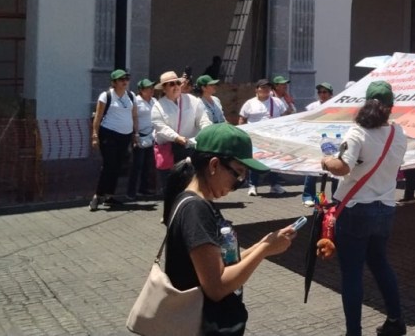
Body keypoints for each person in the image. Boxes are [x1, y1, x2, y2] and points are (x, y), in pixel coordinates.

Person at [162, 123, 295, 336]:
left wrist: (264, 243)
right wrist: (264, 251)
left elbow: (221, 264)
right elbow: (216, 287)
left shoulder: (198, 203)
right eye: (238, 173)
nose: (238, 184)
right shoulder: (196, 209)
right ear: (214, 165)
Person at [320, 81, 409, 336]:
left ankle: (353, 332)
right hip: (386, 208)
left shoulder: (357, 132)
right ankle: (395, 319)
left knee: (352, 273)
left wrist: (326, 161)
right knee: (380, 263)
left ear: (367, 103)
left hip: (356, 209)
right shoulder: (398, 133)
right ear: (391, 107)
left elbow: (342, 167)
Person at [90, 69, 138, 210]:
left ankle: (109, 196)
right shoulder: (106, 96)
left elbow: (134, 116)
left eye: (126, 79)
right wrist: (94, 135)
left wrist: (135, 134)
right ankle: (97, 196)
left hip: (125, 136)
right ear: (114, 82)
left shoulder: (131, 96)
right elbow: (98, 117)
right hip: (109, 134)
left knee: (118, 166)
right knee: (109, 165)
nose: (125, 82)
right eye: (121, 79)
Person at [239, 79, 287, 196]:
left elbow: (285, 115)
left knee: (274, 161)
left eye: (268, 87)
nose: (265, 90)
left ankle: (274, 185)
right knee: (255, 161)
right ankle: (252, 185)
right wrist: (242, 134)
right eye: (263, 87)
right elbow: (242, 119)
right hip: (255, 138)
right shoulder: (250, 103)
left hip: (273, 137)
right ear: (257, 89)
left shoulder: (277, 102)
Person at [303, 82, 338, 205]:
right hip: (315, 141)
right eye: (320, 92)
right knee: (313, 170)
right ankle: (309, 197)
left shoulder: (336, 107)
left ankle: (334, 197)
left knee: (334, 171)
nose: (322, 94)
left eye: (325, 92)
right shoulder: (311, 107)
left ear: (330, 94)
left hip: (332, 142)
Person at [126, 78, 157, 200]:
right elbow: (133, 118)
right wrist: (135, 134)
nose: (151, 90)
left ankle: (143, 189)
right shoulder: (136, 102)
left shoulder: (154, 101)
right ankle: (131, 191)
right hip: (140, 136)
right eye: (148, 88)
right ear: (141, 90)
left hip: (151, 135)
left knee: (147, 164)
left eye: (152, 88)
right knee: (136, 165)